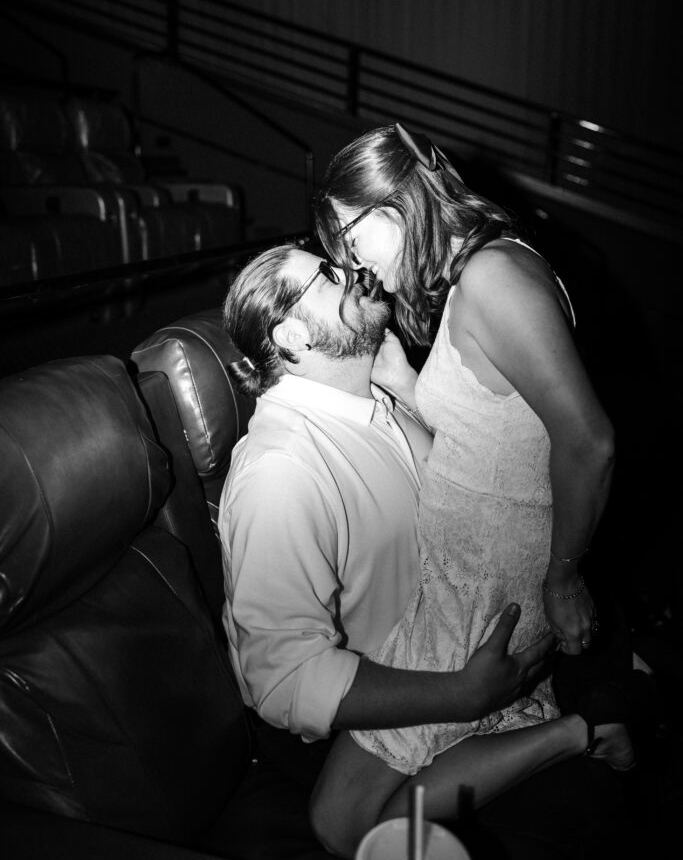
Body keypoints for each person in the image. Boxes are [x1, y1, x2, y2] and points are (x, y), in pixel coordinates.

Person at [218, 242, 647, 859]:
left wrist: (399, 382)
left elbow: (465, 483)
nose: (357, 274)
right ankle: (577, 730)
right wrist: (464, 695)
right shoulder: (281, 473)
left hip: (458, 634)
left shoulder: (371, 400)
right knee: (345, 830)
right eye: (329, 276)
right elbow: (283, 680)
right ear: (291, 336)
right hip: (379, 700)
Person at [309, 122, 654, 857]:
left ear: (399, 208)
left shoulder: (493, 279)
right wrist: (403, 380)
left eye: (351, 231)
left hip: (482, 595)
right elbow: (500, 434)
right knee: (376, 802)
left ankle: (574, 730)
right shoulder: (477, 275)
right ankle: (566, 731)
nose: (350, 257)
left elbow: (587, 440)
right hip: (463, 581)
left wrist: (563, 579)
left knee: (338, 826)